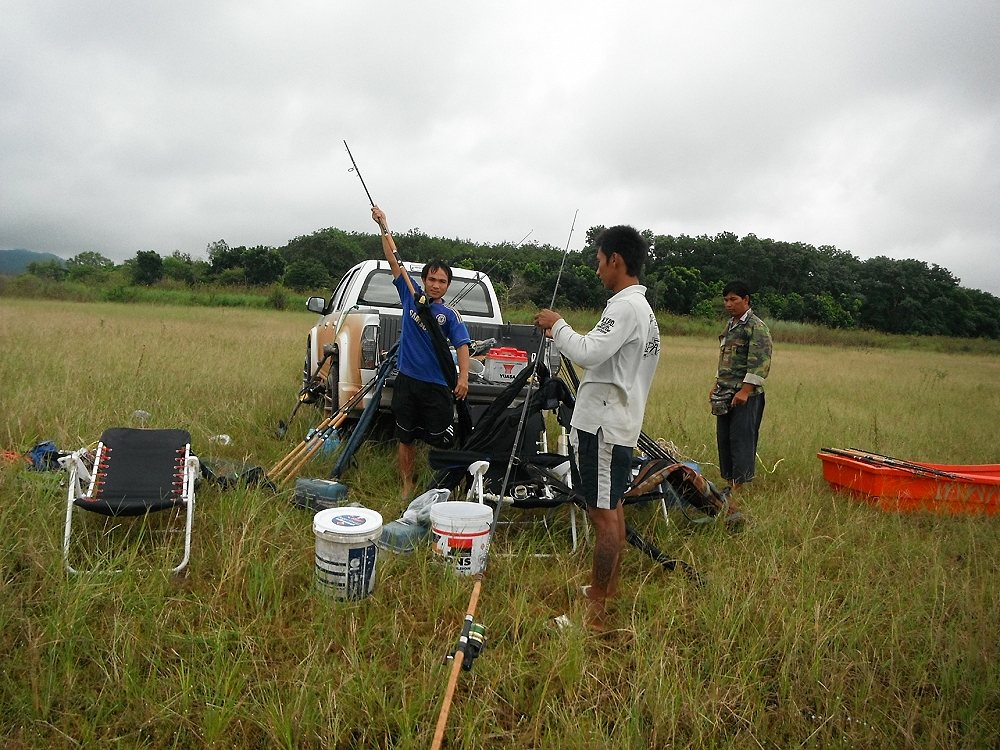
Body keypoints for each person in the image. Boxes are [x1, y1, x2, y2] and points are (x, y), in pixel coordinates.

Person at [534, 225, 660, 630]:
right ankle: (604, 591)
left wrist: (557, 325)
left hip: (603, 429)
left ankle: (596, 613)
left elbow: (589, 351)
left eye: (599, 261)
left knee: (603, 516)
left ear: (616, 261)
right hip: (616, 425)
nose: (597, 270)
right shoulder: (644, 311)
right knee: (612, 509)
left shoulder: (624, 306)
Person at [372, 206, 471, 499]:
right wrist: (383, 224)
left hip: (438, 387)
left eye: (442, 281)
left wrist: (463, 377)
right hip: (407, 381)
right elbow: (393, 258)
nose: (436, 285)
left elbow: (463, 346)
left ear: (448, 285)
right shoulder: (410, 295)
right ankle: (407, 486)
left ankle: (440, 488)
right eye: (432, 279)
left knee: (441, 439)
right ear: (424, 279)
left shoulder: (450, 315)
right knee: (406, 437)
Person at [710, 280, 772, 494]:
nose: (728, 304)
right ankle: (729, 483)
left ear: (746, 300)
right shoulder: (731, 325)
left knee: (741, 439)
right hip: (725, 391)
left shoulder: (756, 327)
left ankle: (739, 489)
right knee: (725, 439)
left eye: (733, 299)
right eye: (726, 300)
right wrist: (716, 384)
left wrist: (745, 391)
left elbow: (760, 361)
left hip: (746, 395)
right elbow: (725, 358)